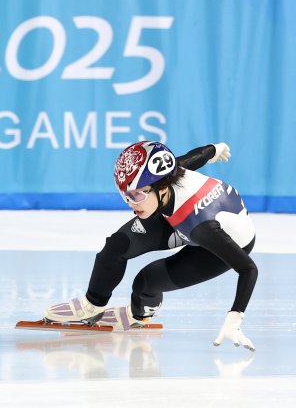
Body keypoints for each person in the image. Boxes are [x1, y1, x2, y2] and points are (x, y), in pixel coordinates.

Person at [44, 141, 257, 351]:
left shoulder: (201, 226)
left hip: (220, 242)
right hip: (180, 218)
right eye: (125, 195)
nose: (130, 203)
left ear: (162, 188)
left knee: (147, 281)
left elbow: (248, 269)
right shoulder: (167, 174)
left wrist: (235, 317)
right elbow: (197, 155)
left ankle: (138, 314)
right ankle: (92, 305)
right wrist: (214, 149)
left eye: (136, 195)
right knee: (117, 246)